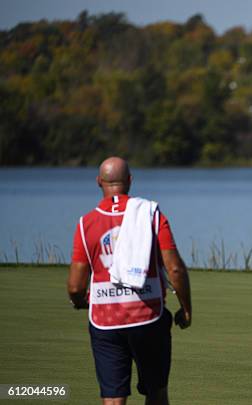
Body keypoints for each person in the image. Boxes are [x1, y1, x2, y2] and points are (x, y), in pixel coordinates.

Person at [67, 157, 192, 405]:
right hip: (148, 319)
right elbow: (175, 269)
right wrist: (186, 309)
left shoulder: (85, 223)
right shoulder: (152, 214)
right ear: (130, 181)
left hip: (105, 323)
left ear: (98, 182)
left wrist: (82, 302)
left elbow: (75, 287)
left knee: (113, 399)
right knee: (156, 393)